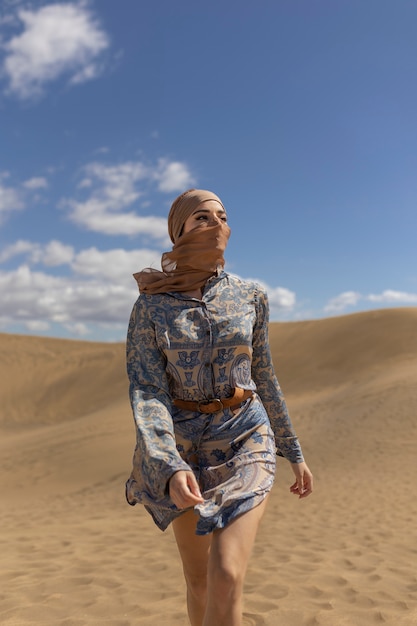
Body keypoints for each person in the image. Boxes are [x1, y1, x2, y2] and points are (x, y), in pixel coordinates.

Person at [125, 188, 313, 626]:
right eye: (202, 218)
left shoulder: (251, 296)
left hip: (246, 433)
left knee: (226, 573)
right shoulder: (151, 306)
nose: (217, 225)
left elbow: (264, 375)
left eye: (222, 217)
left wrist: (294, 450)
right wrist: (168, 464)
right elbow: (147, 392)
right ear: (179, 232)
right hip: (184, 450)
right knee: (199, 582)